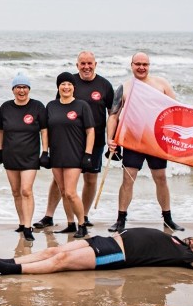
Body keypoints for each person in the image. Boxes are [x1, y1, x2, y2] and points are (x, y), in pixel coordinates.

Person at [0, 227, 193, 288]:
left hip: (116, 254)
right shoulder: (175, 238)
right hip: (106, 240)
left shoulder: (183, 255)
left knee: (60, 263)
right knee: (54, 250)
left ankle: (9, 271)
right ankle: (7, 262)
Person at [34, 51, 114, 229]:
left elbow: (113, 114)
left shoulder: (104, 85)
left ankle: (82, 216)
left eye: (89, 63)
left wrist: (113, 139)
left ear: (95, 64)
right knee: (58, 181)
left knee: (91, 179)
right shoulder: (69, 82)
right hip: (67, 142)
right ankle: (49, 216)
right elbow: (56, 113)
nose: (86, 67)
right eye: (82, 63)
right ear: (77, 65)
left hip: (95, 141)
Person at [106, 52, 184, 233]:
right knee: (128, 179)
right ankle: (120, 219)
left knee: (161, 179)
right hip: (133, 140)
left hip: (156, 141)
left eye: (145, 64)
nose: (141, 67)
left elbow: (178, 110)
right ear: (131, 65)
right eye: (138, 64)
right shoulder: (125, 87)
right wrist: (110, 139)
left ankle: (168, 218)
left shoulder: (161, 84)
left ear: (149, 66)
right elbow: (113, 116)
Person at [0, 73, 48, 241]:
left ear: (29, 89)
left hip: (30, 156)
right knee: (16, 192)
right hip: (10, 154)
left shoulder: (38, 107)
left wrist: (45, 152)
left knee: (26, 190)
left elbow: (44, 131)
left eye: (25, 87)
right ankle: (21, 222)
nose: (21, 90)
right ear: (13, 90)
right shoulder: (5, 107)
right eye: (18, 87)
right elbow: (1, 131)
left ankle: (28, 226)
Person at [45, 72, 96, 238]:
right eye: (62, 84)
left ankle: (82, 224)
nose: (66, 87)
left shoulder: (82, 106)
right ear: (58, 87)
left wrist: (88, 154)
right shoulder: (51, 106)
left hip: (75, 154)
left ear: (74, 87)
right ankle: (70, 224)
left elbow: (90, 131)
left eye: (69, 84)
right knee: (62, 190)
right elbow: (45, 131)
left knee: (71, 192)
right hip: (57, 154)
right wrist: (45, 152)